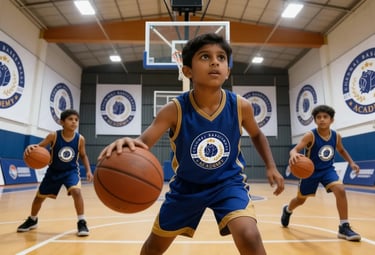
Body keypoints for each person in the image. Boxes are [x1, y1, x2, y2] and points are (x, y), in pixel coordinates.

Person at [98, 33, 284, 255]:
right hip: (186, 187)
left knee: (249, 235)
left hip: (228, 183)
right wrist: (129, 143)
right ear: (187, 71)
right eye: (205, 57)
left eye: (221, 57)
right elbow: (143, 143)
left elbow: (257, 135)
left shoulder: (240, 106)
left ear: (228, 71)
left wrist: (271, 166)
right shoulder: (173, 110)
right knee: (153, 248)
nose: (215, 61)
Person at [281, 104, 361, 241]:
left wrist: (351, 163)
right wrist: (293, 154)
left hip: (327, 170)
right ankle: (288, 210)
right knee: (300, 200)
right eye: (318, 117)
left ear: (331, 120)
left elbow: (341, 150)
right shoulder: (310, 135)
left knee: (340, 189)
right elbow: (295, 149)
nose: (322, 119)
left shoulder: (336, 136)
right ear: (314, 120)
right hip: (309, 172)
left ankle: (344, 226)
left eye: (325, 117)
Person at [17, 109, 93, 237]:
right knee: (39, 198)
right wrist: (31, 147)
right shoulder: (53, 136)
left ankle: (81, 221)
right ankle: (32, 219)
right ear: (62, 122)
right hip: (53, 171)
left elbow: (83, 155)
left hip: (71, 171)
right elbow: (39, 148)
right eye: (70, 119)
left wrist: (89, 171)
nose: (74, 122)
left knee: (77, 191)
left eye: (76, 120)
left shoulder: (80, 139)